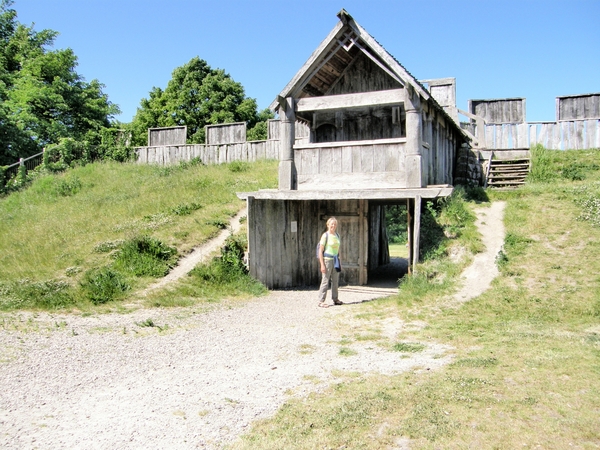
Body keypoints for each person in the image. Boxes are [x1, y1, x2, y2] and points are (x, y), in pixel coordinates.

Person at [317, 217, 343, 308]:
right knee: (325, 281)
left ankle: (335, 299)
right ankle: (321, 301)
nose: (333, 226)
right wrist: (322, 265)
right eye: (331, 224)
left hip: (335, 260)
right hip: (327, 260)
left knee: (335, 281)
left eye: (335, 224)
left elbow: (338, 250)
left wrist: (340, 261)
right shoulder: (325, 235)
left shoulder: (337, 235)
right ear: (328, 225)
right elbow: (320, 251)